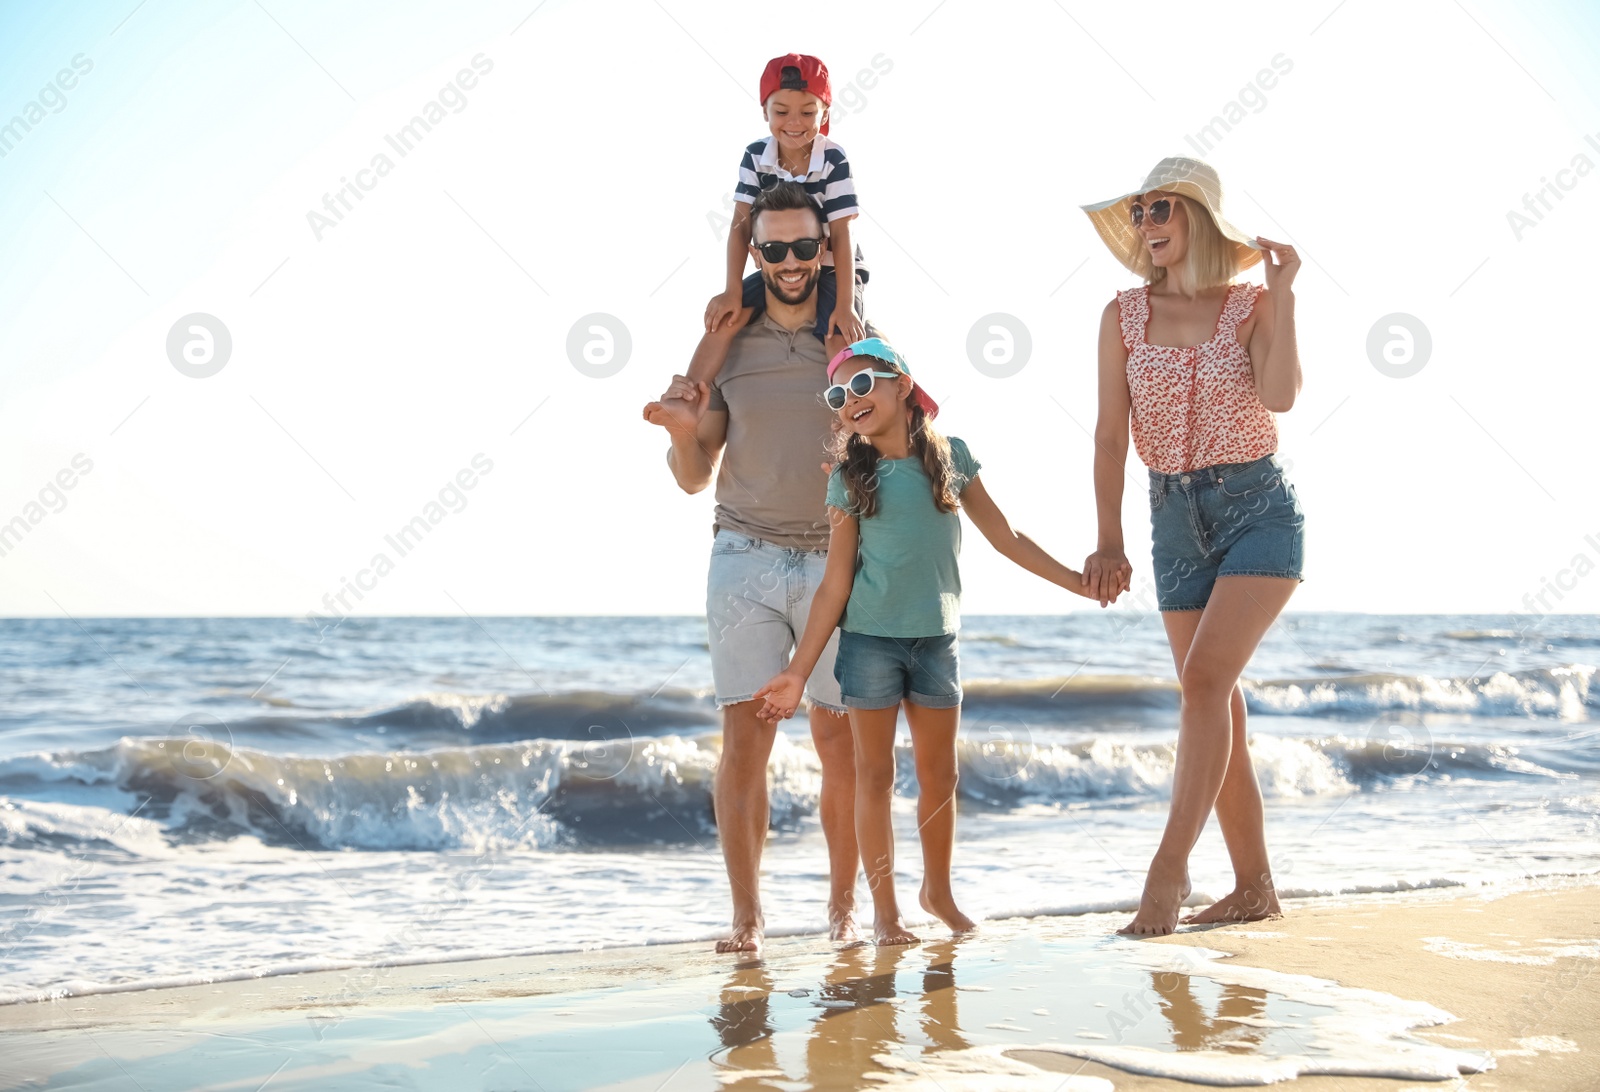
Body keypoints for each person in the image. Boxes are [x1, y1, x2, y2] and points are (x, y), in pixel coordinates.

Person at [753, 337, 1097, 946]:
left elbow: (1008, 537)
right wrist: (799, 671)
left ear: (902, 385)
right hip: (869, 646)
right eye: (839, 394)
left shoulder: (953, 458)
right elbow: (835, 584)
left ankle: (936, 892)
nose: (850, 400)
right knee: (874, 778)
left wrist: (1077, 582)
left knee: (940, 777)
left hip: (937, 643)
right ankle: (884, 911)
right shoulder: (850, 480)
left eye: (863, 385)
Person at [1079, 156, 1306, 936]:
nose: (1148, 225)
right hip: (1171, 515)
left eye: (1162, 209)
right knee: (1217, 702)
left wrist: (1284, 299)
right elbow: (1110, 438)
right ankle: (1254, 888)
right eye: (1140, 212)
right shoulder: (1120, 315)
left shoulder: (1249, 306)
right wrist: (1108, 538)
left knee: (1204, 682)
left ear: (1200, 220)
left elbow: (1279, 397)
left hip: (1257, 509)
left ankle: (1165, 873)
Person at [641, 180, 860, 954]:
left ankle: (844, 912)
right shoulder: (729, 345)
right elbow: (695, 473)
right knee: (744, 742)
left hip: (838, 559)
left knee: (842, 744)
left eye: (807, 246)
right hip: (743, 553)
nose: (793, 261)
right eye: (776, 248)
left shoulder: (852, 334)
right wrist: (678, 432)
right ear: (756, 253)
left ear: (824, 249)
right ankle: (747, 919)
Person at [686, 53, 868, 397]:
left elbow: (843, 235)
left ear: (825, 112)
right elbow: (740, 226)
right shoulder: (756, 156)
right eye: (781, 112)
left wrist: (844, 305)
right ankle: (687, 394)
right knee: (726, 318)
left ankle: (850, 405)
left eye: (808, 112)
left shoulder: (833, 159)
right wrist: (732, 290)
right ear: (765, 112)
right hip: (780, 260)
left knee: (837, 333)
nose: (794, 122)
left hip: (830, 265)